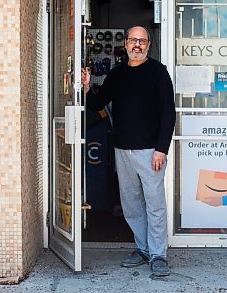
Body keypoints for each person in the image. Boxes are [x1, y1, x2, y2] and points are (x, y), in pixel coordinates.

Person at [81, 25, 176, 277]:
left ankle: (158, 255)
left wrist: (161, 150)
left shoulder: (158, 72)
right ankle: (143, 248)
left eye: (142, 41)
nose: (137, 45)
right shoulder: (117, 73)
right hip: (122, 151)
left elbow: (169, 113)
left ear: (148, 45)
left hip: (150, 152)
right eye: (133, 40)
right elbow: (97, 103)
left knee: (154, 204)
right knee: (132, 204)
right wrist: (88, 87)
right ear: (125, 44)